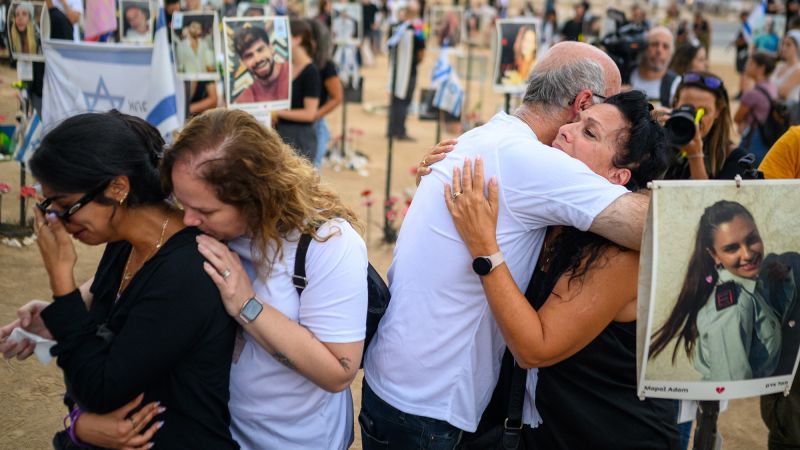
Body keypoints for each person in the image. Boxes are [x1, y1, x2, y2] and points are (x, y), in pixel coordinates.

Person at [360, 41, 647, 449]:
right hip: (431, 406)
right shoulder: (533, 161)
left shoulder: (487, 137)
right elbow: (662, 228)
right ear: (583, 102)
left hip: (397, 380)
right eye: (609, 105)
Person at [439, 89, 679, 449]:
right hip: (553, 432)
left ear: (618, 176)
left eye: (589, 133)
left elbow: (535, 347)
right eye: (577, 120)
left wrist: (484, 248)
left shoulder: (619, 253)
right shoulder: (559, 216)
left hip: (615, 435)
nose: (567, 130)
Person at [0, 111, 238, 449]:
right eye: (48, 206)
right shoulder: (124, 244)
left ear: (118, 187)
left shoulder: (187, 271)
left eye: (66, 206)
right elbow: (91, 362)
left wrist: (62, 284)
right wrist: (81, 424)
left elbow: (97, 388)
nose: (59, 222)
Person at [162, 108, 367, 450]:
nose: (188, 220)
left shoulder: (326, 243)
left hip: (297, 441)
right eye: (182, 204)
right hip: (221, 434)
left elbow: (339, 371)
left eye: (206, 211)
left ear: (257, 197)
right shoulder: (201, 220)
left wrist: (247, 304)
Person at [649, 201, 786, 381]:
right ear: (714, 255)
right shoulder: (731, 308)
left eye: (752, 239)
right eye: (731, 248)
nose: (747, 254)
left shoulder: (751, 285)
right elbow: (732, 389)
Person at [663, 71, 740, 180]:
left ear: (718, 112)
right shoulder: (659, 144)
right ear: (675, 104)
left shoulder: (735, 159)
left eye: (703, 111)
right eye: (687, 108)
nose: (695, 119)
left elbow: (704, 197)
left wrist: (695, 156)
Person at [274, 18, 321, 161]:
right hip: (283, 135)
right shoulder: (287, 67)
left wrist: (277, 112)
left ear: (297, 39)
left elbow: (309, 114)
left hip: (301, 139)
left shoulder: (310, 72)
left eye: (284, 36)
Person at [387, 0, 425, 141]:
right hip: (409, 70)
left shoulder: (396, 27)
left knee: (396, 99)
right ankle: (399, 131)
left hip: (397, 69)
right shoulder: (417, 29)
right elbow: (421, 50)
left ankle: (392, 129)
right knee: (403, 101)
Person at [308, 18, 343, 168]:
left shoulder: (325, 65)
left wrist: (315, 114)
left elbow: (337, 97)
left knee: (312, 170)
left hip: (315, 124)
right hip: (298, 124)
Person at [734, 52, 778, 163]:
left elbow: (737, 118)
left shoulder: (753, 94)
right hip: (768, 138)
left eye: (750, 63)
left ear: (761, 68)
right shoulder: (772, 87)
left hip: (753, 139)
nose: (746, 66)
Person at [232, 25, 290, 104]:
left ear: (271, 48)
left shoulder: (294, 73)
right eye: (249, 56)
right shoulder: (245, 99)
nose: (258, 59)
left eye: (260, 50)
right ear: (243, 62)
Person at [630, 26, 680, 107]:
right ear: (644, 47)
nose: (659, 50)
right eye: (654, 44)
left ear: (671, 53)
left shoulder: (676, 85)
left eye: (665, 46)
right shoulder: (624, 75)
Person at [771, 31, 800, 118]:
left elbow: (782, 92)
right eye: (783, 44)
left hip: (788, 114)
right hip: (774, 111)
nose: (784, 48)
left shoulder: (798, 69)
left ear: (797, 47)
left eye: (788, 45)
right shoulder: (779, 66)